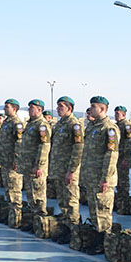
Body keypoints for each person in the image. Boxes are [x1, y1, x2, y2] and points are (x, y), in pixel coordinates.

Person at [81, 96, 120, 254]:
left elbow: (111, 155)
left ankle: (104, 243)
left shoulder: (109, 129)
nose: (90, 109)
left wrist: (105, 177)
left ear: (103, 109)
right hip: (91, 178)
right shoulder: (92, 127)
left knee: (103, 212)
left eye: (93, 106)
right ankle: (97, 239)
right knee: (94, 211)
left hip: (102, 179)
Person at [49, 96, 84, 243]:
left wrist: (72, 170)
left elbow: (78, 149)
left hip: (68, 170)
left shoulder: (74, 125)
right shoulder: (59, 125)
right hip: (58, 169)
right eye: (58, 106)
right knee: (62, 201)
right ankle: (65, 228)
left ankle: (74, 232)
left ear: (69, 108)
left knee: (71, 201)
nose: (58, 109)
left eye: (61, 106)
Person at [17, 99, 52, 226]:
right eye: (29, 107)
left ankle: (41, 223)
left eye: (32, 107)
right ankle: (35, 223)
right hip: (27, 166)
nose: (29, 110)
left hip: (35, 168)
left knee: (38, 196)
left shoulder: (42, 125)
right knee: (31, 195)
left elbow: (44, 146)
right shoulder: (30, 124)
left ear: (39, 110)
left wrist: (39, 165)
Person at [0, 99, 25, 226]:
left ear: (14, 109)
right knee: (8, 190)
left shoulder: (17, 123)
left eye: (7, 107)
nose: (4, 109)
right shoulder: (6, 122)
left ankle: (17, 220)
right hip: (5, 161)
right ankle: (11, 217)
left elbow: (19, 143)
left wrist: (17, 159)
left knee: (14, 190)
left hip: (12, 162)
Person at [114, 105, 131, 211]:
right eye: (115, 113)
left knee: (123, 180)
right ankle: (119, 201)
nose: (116, 115)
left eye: (118, 114)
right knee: (117, 180)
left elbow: (129, 142)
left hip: (122, 157)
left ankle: (125, 202)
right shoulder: (116, 126)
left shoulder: (127, 126)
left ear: (123, 114)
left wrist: (126, 158)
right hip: (117, 156)